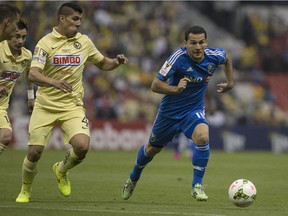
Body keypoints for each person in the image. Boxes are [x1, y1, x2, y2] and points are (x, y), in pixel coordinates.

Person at [16, 2, 128, 203]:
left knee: (82, 146)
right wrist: (54, 83)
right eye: (75, 19)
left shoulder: (84, 42)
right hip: (45, 105)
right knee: (34, 153)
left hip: (72, 105)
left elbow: (103, 63)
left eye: (80, 20)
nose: (79, 24)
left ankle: (61, 170)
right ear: (62, 19)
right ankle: (25, 190)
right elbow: (33, 73)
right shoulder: (45, 43)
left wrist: (116, 62)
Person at [122, 25, 233, 201]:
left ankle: (197, 185)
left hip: (193, 110)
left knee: (203, 137)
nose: (198, 47)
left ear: (206, 42)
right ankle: (133, 178)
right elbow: (155, 85)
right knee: (152, 150)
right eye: (193, 43)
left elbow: (226, 58)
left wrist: (230, 83)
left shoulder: (214, 55)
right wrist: (176, 89)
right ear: (185, 43)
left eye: (201, 42)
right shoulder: (177, 58)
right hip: (170, 113)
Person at [0, 19, 34, 156]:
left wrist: (31, 97)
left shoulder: (27, 56)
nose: (20, 41)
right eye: (17, 36)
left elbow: (29, 76)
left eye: (23, 37)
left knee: (6, 136)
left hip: (1, 106)